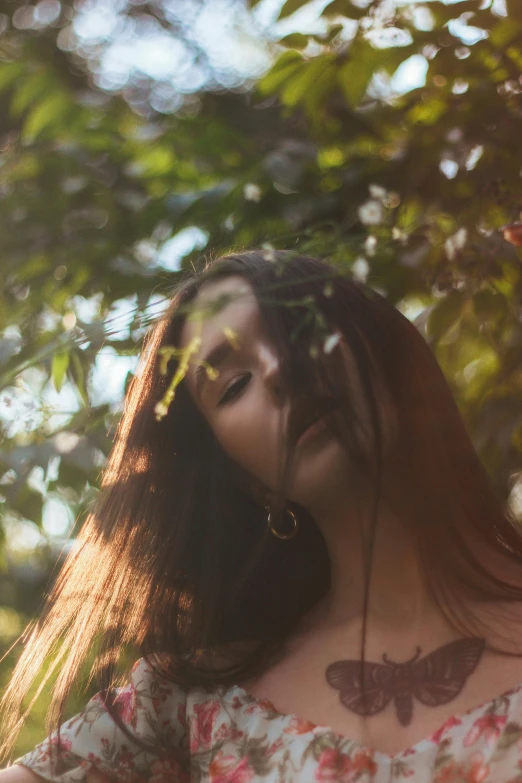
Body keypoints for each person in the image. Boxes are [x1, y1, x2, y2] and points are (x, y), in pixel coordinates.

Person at [2, 248, 522, 783]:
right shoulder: (186, 705)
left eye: (297, 330)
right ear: (250, 480)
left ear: (385, 349)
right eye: (233, 385)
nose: (278, 369)